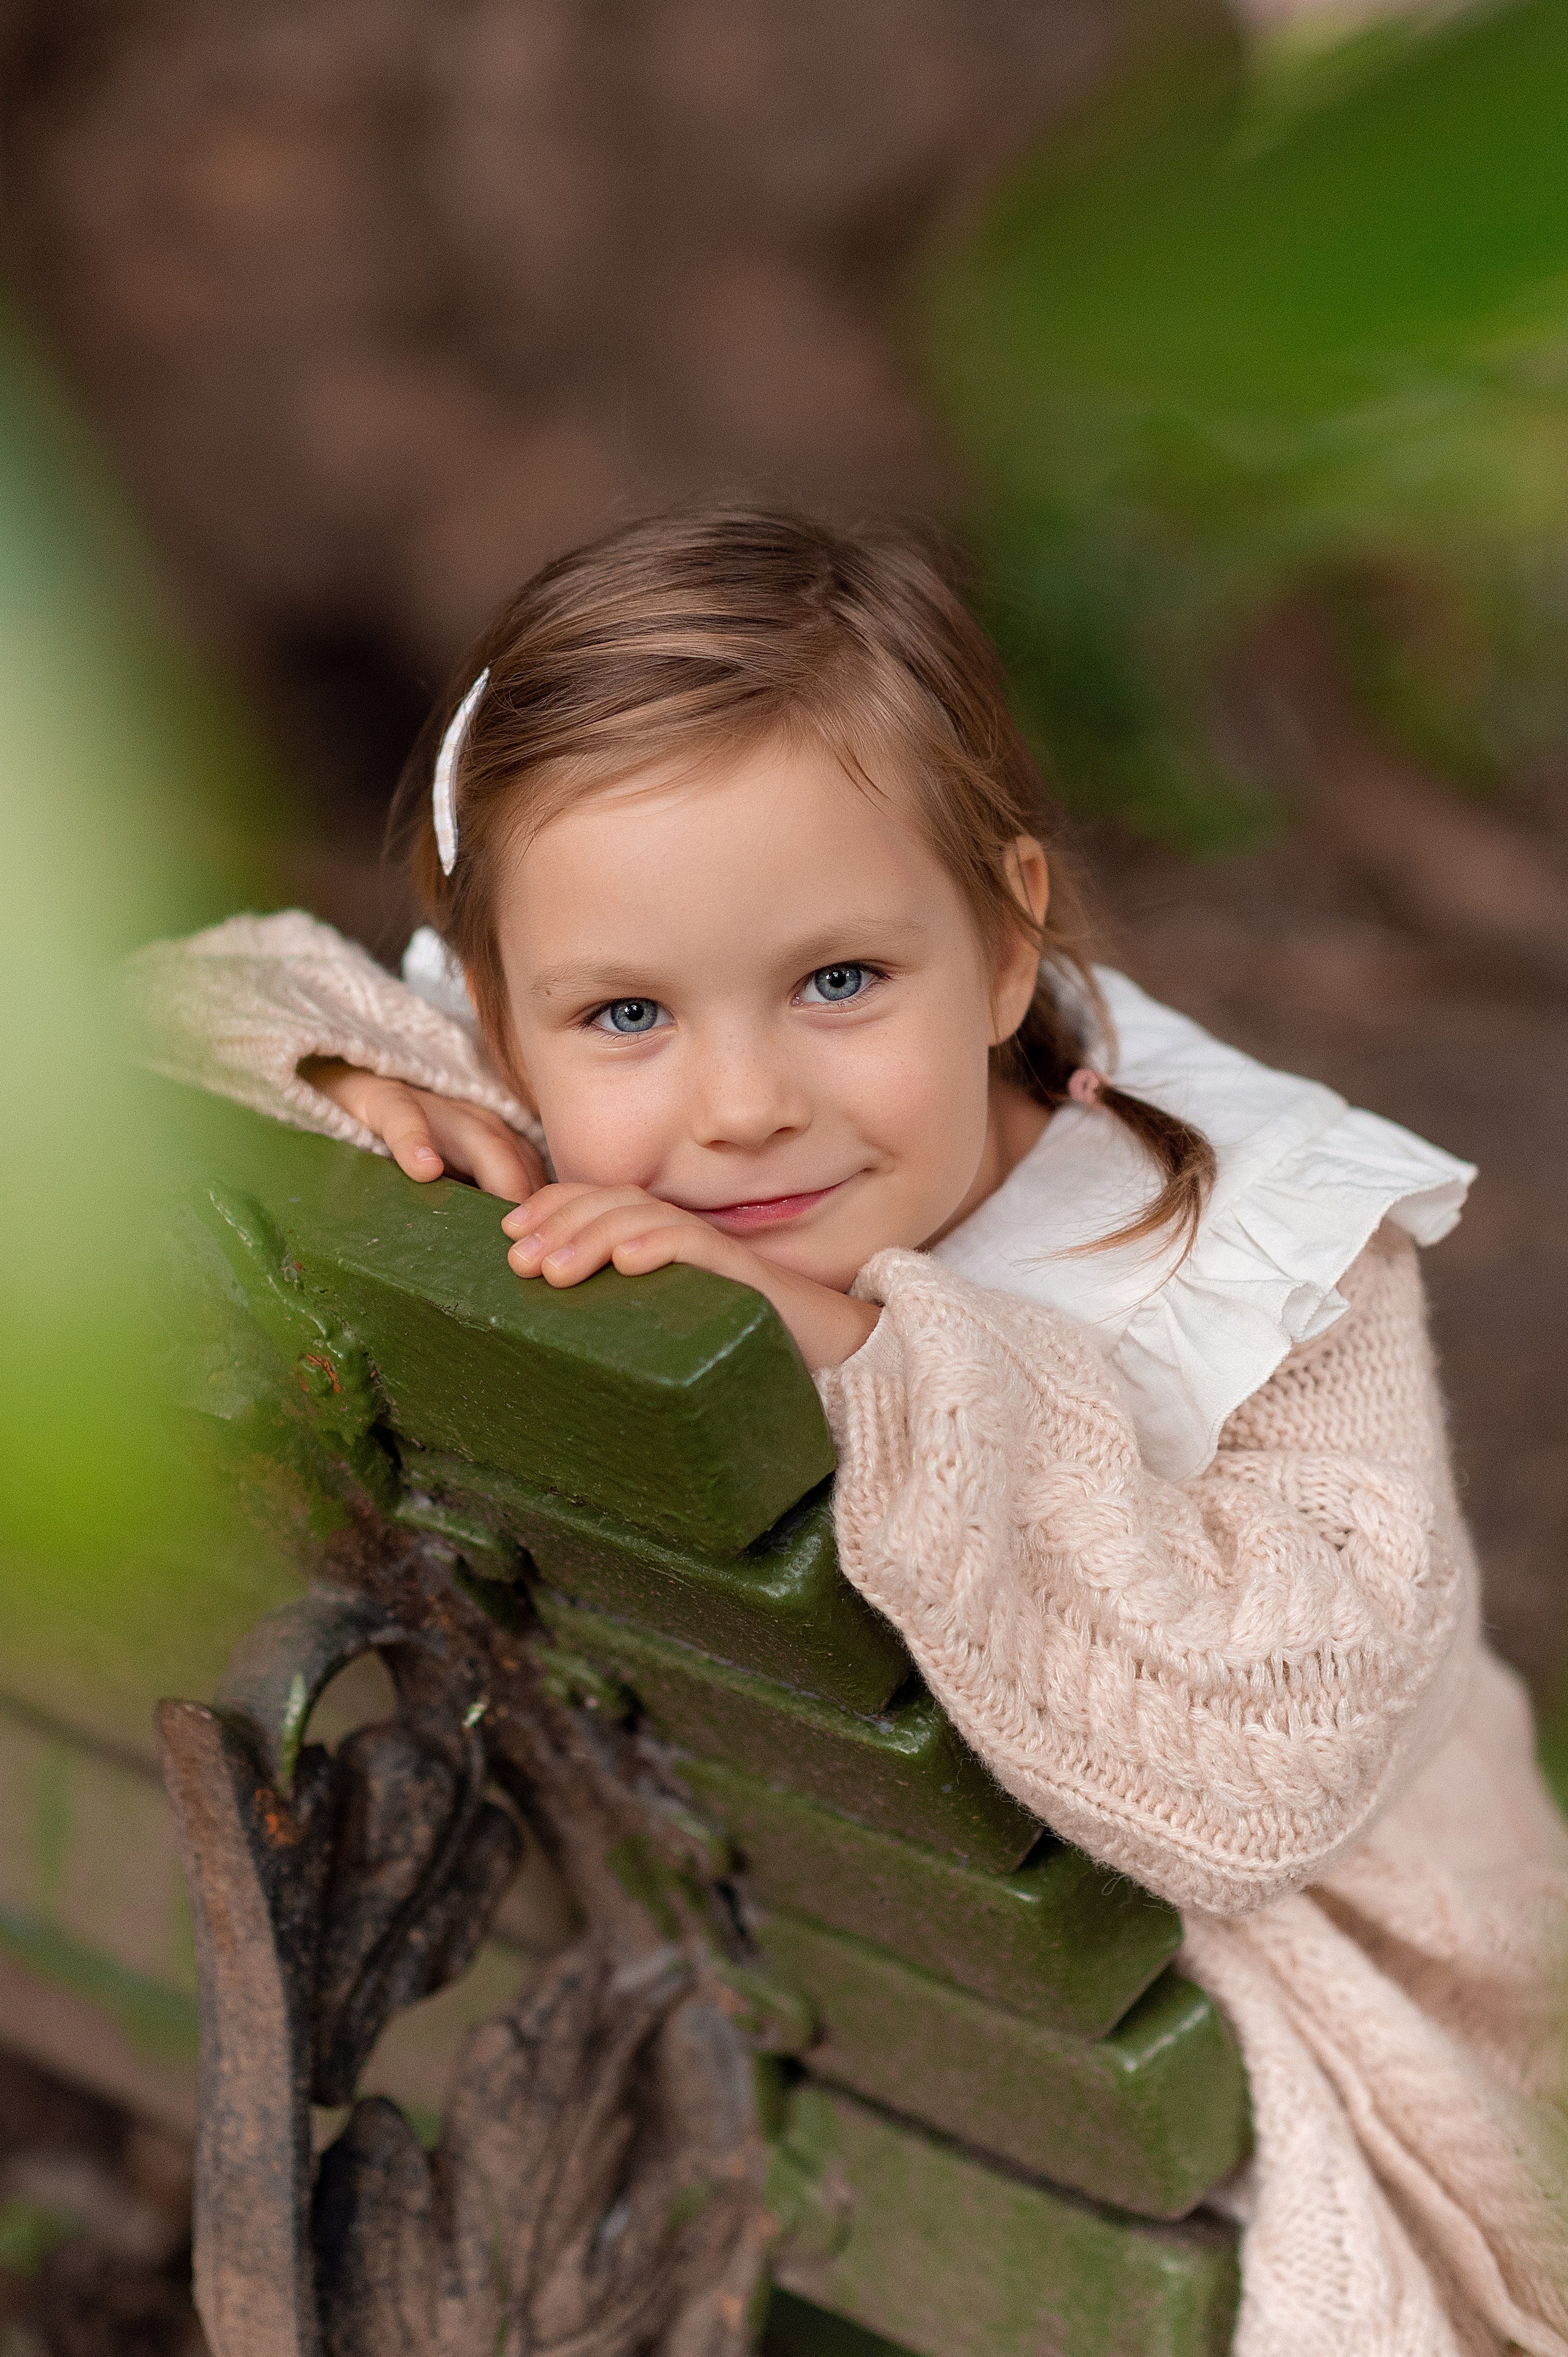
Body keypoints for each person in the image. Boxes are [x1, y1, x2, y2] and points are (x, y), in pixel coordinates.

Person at [130, 505, 1568, 2355]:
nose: (739, 1108)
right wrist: (360, 1079)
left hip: (998, 1983)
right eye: (631, 1012)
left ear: (1003, 948)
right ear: (489, 1018)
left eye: (836, 985)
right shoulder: (520, 1095)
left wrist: (864, 1345)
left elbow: (1275, 1760)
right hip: (1005, 2057)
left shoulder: (1257, 1257)